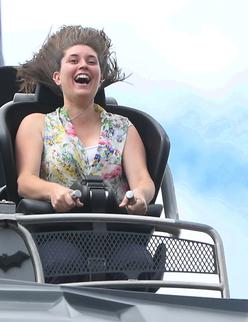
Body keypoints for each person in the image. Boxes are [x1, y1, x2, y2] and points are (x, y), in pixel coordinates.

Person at [15, 26, 158, 283]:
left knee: (136, 264)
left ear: (100, 78)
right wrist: (53, 192)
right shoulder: (36, 124)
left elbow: (143, 181)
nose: (83, 66)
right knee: (63, 263)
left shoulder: (123, 127)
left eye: (91, 62)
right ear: (57, 77)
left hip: (116, 234)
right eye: (74, 60)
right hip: (57, 231)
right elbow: (25, 181)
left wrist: (140, 196)